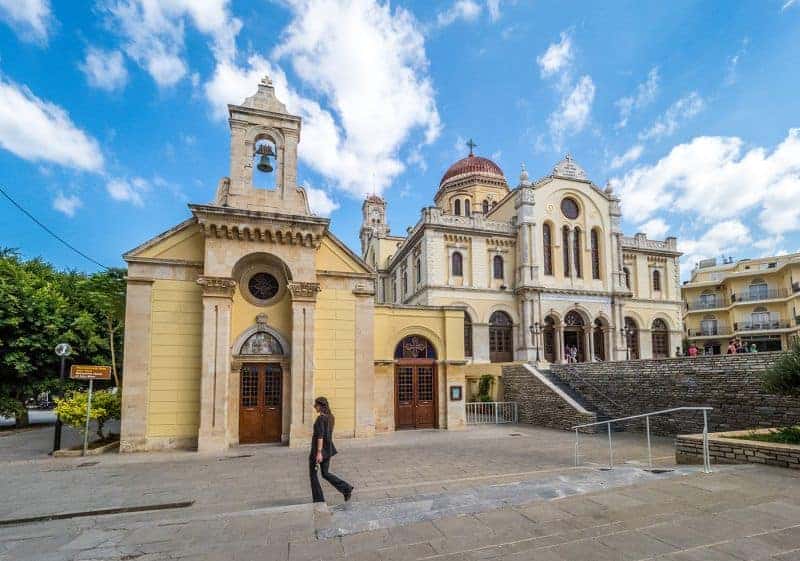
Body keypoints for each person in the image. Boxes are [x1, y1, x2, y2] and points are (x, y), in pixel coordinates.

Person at [309, 396, 353, 504]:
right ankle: (346, 488)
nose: (315, 407)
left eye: (316, 405)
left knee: (313, 475)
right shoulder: (331, 417)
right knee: (325, 473)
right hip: (328, 449)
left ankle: (318, 499)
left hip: (318, 451)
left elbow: (320, 436)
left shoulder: (321, 419)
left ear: (321, 406)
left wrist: (319, 453)